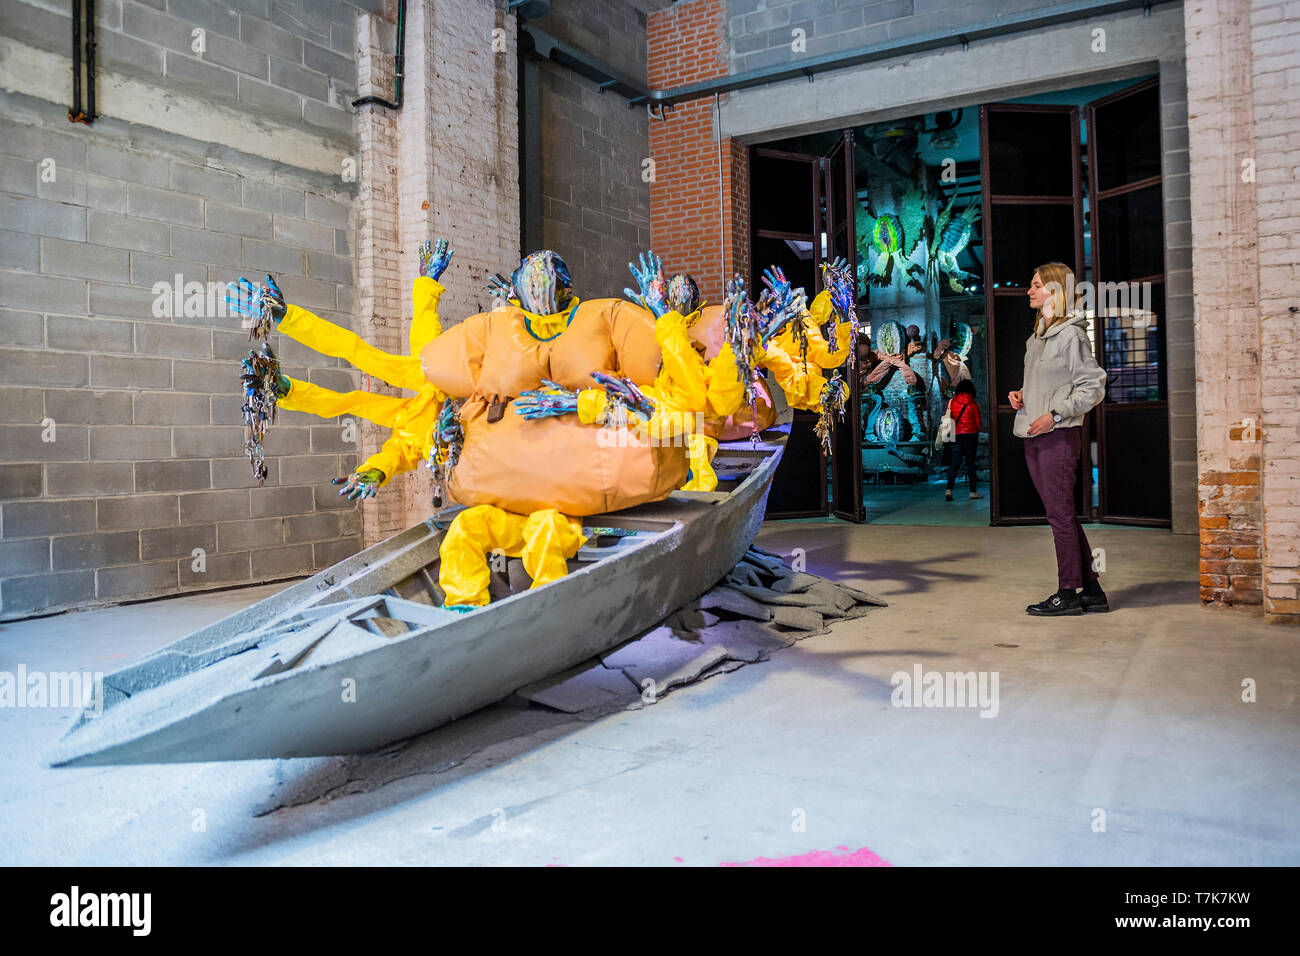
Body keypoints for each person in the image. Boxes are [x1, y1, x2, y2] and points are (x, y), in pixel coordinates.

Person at [1009, 262, 1109, 616]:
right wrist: (1022, 394)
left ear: (1055, 291)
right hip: (1033, 434)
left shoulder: (1071, 335)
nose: (1029, 291)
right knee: (1061, 514)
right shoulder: (1036, 337)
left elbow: (1093, 386)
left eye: (1036, 285)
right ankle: (1092, 590)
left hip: (1059, 437)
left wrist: (1053, 414)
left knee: (1059, 516)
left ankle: (1068, 593)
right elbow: (1050, 384)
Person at [943, 378, 982, 501]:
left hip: (956, 435)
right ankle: (973, 492)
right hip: (971, 435)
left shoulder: (952, 403)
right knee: (971, 463)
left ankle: (949, 490)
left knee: (954, 463)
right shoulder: (973, 404)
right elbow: (978, 424)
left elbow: (948, 419)